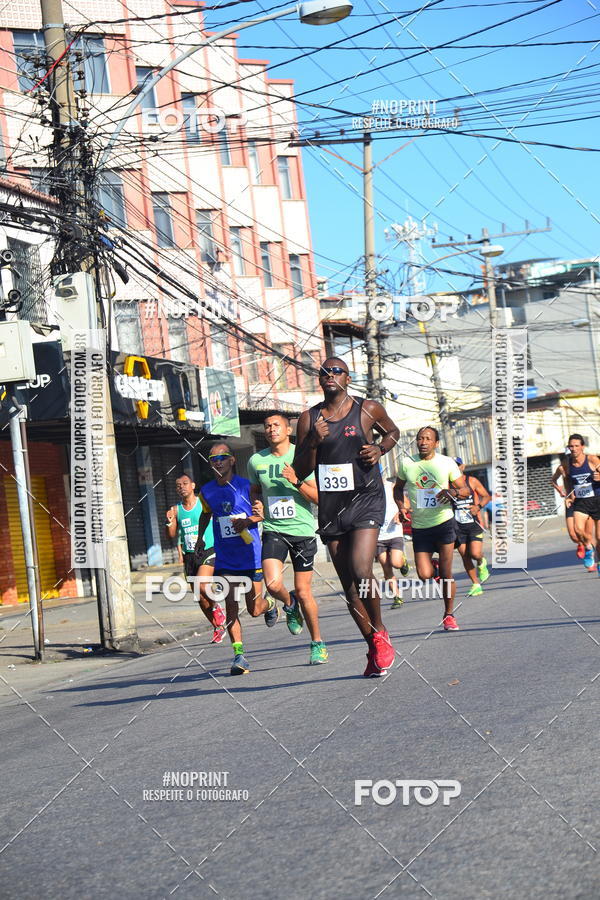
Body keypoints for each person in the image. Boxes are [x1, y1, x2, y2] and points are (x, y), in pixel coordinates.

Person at [294, 357, 400, 677]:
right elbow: (300, 471)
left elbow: (392, 432)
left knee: (360, 567)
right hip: (332, 507)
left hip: (366, 499)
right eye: (324, 372)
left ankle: (380, 631)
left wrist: (380, 449)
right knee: (349, 587)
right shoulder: (308, 418)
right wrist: (313, 440)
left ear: (348, 378)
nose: (329, 376)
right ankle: (371, 646)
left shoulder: (368, 408)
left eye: (336, 371)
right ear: (319, 380)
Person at [248, 413, 328, 665]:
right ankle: (288, 602)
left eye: (276, 425)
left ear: (288, 429)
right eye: (267, 426)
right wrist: (256, 506)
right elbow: (255, 491)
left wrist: (295, 481)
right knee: (272, 584)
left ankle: (317, 643)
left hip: (302, 531)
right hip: (274, 529)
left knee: (305, 592)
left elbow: (318, 497)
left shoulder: (302, 456)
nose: (271, 429)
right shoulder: (255, 461)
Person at [197, 443, 277, 675]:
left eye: (222, 457)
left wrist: (247, 522)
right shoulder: (207, 491)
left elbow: (262, 514)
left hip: (250, 556)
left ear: (232, 460)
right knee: (231, 604)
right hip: (225, 559)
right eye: (213, 459)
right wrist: (201, 538)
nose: (218, 462)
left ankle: (270, 604)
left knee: (254, 609)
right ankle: (239, 655)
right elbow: (205, 514)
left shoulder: (247, 486)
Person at [394, 427, 470, 632]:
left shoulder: (446, 463)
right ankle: (432, 566)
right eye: (420, 438)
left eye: (428, 439)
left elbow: (465, 490)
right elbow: (397, 488)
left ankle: (449, 614)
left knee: (446, 574)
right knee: (424, 575)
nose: (423, 442)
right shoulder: (407, 463)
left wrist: (452, 491)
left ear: (436, 443)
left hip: (444, 522)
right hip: (420, 527)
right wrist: (401, 507)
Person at [165, 473, 225, 644]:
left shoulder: (203, 502)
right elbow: (171, 535)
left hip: (208, 549)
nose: (181, 487)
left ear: (193, 485)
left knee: (202, 584)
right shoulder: (176, 509)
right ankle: (217, 627)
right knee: (200, 596)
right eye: (178, 485)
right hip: (189, 555)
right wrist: (169, 521)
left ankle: (218, 607)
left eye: (185, 483)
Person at [554, 433, 600, 572]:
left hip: (597, 500)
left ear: (582, 447)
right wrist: (567, 494)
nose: (573, 449)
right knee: (578, 530)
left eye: (576, 446)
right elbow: (564, 479)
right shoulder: (566, 464)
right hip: (581, 501)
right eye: (571, 446)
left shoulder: (592, 460)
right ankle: (587, 547)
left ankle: (598, 562)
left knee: (599, 538)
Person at [452, 458, 491, 597]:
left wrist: (478, 507)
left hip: (473, 524)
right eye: (452, 466)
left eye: (457, 465)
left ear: (462, 466)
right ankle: (476, 584)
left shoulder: (472, 481)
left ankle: (481, 561)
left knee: (475, 553)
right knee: (465, 556)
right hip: (456, 526)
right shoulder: (447, 483)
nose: (455, 468)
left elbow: (486, 496)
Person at [551, 446, 593, 560]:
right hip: (571, 502)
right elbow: (553, 480)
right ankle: (581, 544)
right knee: (573, 535)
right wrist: (559, 489)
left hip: (585, 500)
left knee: (587, 534)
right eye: (569, 456)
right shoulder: (562, 468)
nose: (572, 458)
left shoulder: (586, 464)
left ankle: (590, 553)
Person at [376, 476, 409, 610]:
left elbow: (406, 504)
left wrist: (400, 512)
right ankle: (397, 596)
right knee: (386, 566)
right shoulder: (366, 489)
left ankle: (403, 562)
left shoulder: (392, 486)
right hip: (378, 536)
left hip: (394, 532)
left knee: (395, 562)